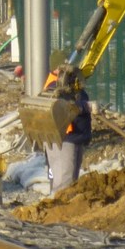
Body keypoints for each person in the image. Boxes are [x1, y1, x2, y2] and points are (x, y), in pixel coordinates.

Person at [45, 64, 92, 192]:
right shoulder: (56, 88)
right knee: (65, 183)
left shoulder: (70, 88)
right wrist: (85, 106)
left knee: (70, 180)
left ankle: (64, 207)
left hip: (74, 138)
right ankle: (60, 208)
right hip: (65, 140)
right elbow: (65, 105)